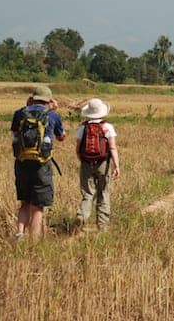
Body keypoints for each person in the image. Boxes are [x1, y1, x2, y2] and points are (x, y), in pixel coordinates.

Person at [11, 85, 66, 240]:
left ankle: (20, 233)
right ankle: (34, 241)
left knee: (25, 203)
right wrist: (54, 110)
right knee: (38, 207)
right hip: (42, 165)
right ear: (49, 100)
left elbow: (16, 133)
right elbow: (61, 137)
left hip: (22, 163)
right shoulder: (52, 115)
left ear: (32, 98)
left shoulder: (19, 113)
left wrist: (28, 106)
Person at [73, 98, 120, 233]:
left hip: (86, 163)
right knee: (103, 193)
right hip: (103, 164)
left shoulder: (83, 127)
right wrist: (116, 166)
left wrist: (82, 160)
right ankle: (102, 226)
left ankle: (81, 216)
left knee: (87, 193)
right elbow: (112, 148)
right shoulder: (107, 127)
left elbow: (77, 149)